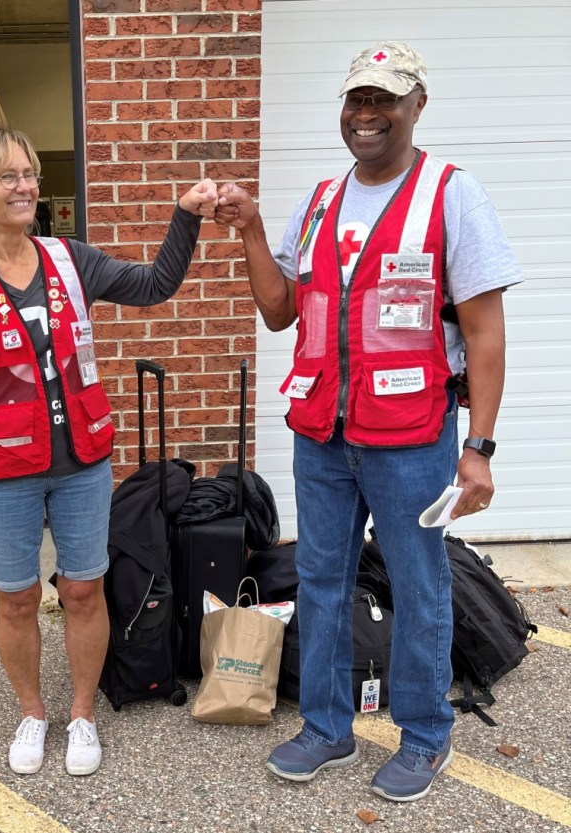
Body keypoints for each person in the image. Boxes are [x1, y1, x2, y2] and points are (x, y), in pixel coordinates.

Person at [216, 42, 522, 802]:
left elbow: (485, 332)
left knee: (420, 584)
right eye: (357, 100)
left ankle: (424, 734)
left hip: (412, 437)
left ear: (417, 105)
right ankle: (326, 725)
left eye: (384, 100)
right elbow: (281, 310)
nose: (367, 115)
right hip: (323, 433)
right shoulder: (319, 200)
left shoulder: (450, 195)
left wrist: (478, 447)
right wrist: (251, 228)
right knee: (321, 579)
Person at [0, 125, 218, 777]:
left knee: (85, 590)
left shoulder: (68, 258)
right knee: (18, 597)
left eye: (29, 172)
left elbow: (153, 285)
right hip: (3, 474)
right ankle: (34, 711)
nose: (25, 185)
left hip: (81, 463)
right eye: (8, 176)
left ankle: (82, 713)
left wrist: (185, 217)